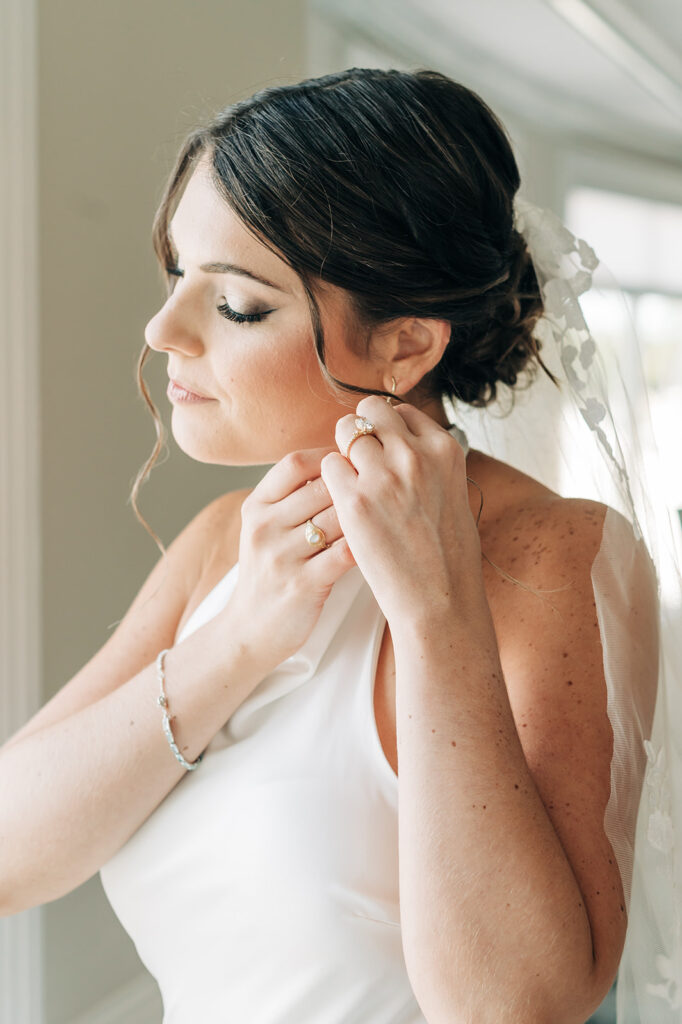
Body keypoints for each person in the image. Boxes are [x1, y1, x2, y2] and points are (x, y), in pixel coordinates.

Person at [0, 67, 674, 1024]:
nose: (162, 330)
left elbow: (516, 1006)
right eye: (175, 277)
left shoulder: (553, 554)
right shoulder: (222, 544)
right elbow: (8, 858)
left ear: (404, 346)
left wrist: (438, 616)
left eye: (237, 306)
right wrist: (239, 640)